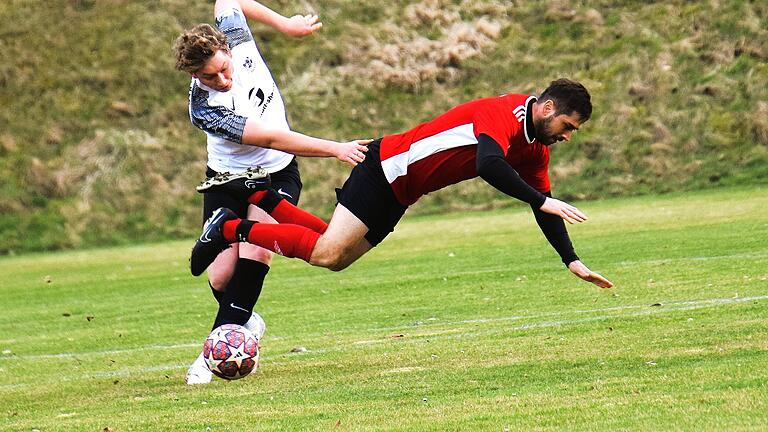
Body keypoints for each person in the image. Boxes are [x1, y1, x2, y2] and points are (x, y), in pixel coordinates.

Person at [190, 78, 614, 294]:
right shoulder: (502, 112)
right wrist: (543, 199)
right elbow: (489, 164)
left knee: (335, 256)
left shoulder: (535, 150)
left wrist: (570, 260)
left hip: (402, 191)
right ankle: (227, 229)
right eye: (567, 126)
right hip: (385, 167)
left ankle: (259, 196)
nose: (567, 135)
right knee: (326, 252)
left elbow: (546, 206)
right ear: (548, 106)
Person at [173, 0, 369, 384]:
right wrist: (335, 148)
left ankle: (215, 349)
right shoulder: (205, 108)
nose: (223, 80)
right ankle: (243, 318)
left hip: (275, 174)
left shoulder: (235, 37)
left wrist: (286, 25)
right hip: (226, 180)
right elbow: (273, 137)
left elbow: (228, 1)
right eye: (210, 77)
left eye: (224, 69)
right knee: (220, 276)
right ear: (196, 75)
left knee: (258, 247)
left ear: (228, 50)